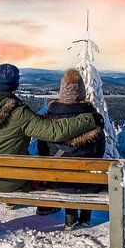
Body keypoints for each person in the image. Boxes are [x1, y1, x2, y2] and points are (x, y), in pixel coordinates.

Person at [0, 63, 97, 196]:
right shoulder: (20, 114)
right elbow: (54, 131)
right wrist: (90, 119)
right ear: (15, 86)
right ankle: (46, 207)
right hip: (14, 182)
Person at [37, 68, 106, 229]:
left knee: (64, 172)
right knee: (86, 174)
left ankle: (70, 216)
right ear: (82, 94)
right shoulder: (95, 122)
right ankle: (86, 215)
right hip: (90, 184)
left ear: (62, 93)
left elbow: (43, 152)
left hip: (58, 183)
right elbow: (99, 155)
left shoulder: (48, 123)